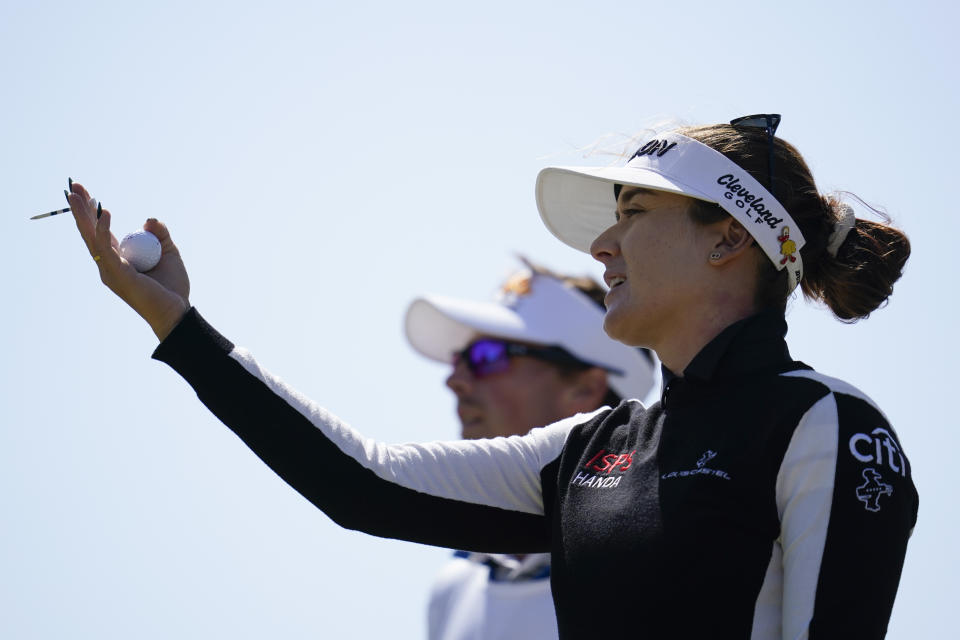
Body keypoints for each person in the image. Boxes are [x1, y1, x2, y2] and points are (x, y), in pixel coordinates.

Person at [65, 113, 918, 638]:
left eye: (633, 214)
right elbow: (364, 485)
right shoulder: (591, 449)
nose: (599, 248)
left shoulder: (825, 424)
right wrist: (178, 325)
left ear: (728, 238)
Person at [404, 261, 655, 639]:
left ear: (585, 389)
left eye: (488, 356)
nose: (454, 380)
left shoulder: (659, 561)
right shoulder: (455, 585)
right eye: (460, 360)